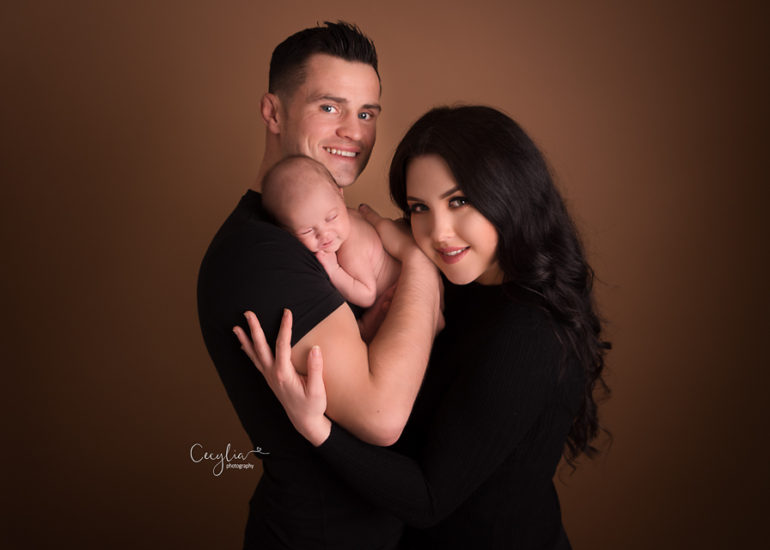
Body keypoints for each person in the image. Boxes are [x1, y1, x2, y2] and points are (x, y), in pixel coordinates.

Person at [235, 105, 611, 548]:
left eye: (459, 201)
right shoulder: (461, 284)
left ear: (510, 192)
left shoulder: (527, 334)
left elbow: (427, 500)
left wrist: (316, 427)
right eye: (419, 208)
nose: (438, 232)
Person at [197, 22, 442, 549]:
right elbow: (380, 416)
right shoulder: (261, 255)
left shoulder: (322, 233)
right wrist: (419, 263)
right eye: (330, 107)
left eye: (367, 113)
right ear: (273, 112)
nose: (353, 130)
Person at [261, 155, 400, 311]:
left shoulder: (351, 250)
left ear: (341, 196)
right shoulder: (348, 215)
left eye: (331, 218)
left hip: (401, 295)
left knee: (369, 321)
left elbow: (367, 295)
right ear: (286, 231)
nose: (324, 234)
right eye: (307, 230)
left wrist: (335, 271)